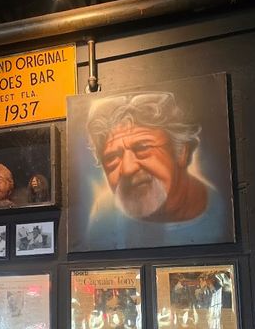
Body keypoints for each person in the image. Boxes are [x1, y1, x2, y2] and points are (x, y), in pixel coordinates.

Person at [84, 91, 228, 248]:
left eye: (142, 148)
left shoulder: (224, 213)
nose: (128, 168)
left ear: (181, 151)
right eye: (112, 157)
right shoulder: (103, 217)